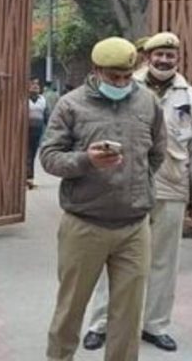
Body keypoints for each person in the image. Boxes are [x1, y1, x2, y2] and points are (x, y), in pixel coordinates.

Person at [82, 31, 192, 353]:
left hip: (171, 187)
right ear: (147, 57)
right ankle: (101, 323)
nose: (164, 60)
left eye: (170, 55)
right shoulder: (127, 89)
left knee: (164, 262)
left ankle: (155, 325)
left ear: (178, 59)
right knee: (113, 257)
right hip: (127, 187)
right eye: (159, 55)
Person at [42, 37, 166, 361]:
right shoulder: (71, 105)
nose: (121, 84)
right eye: (114, 77)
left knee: (128, 314)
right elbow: (49, 157)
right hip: (84, 224)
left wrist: (135, 185)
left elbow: (156, 154)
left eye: (127, 76)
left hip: (134, 226)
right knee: (71, 307)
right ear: (96, 70)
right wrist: (87, 161)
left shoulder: (148, 103)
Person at [27, 77, 48, 189]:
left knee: (32, 155)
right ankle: (26, 178)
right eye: (32, 84)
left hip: (37, 132)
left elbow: (46, 116)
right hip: (25, 131)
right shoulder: (24, 99)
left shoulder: (42, 100)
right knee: (27, 155)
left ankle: (29, 178)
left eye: (37, 84)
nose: (35, 86)